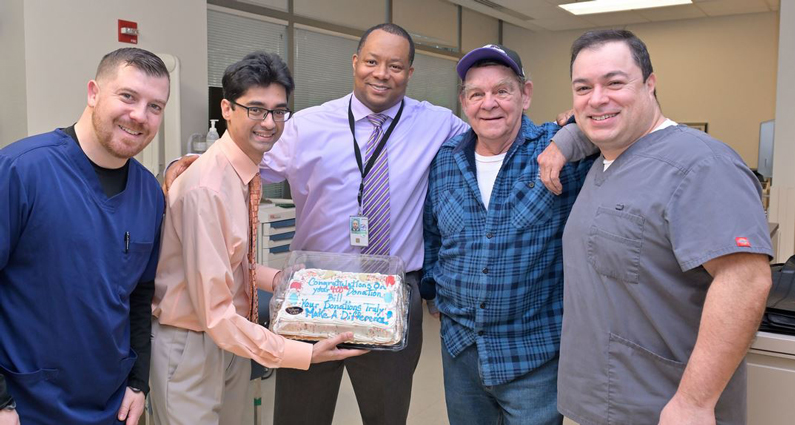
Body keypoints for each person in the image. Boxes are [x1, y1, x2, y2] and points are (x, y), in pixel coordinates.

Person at [537, 29, 773, 425]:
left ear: (650, 84)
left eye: (615, 82)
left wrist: (694, 402)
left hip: (664, 407)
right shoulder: (606, 159)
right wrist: (568, 139)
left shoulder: (702, 166)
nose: (597, 98)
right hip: (597, 401)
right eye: (583, 87)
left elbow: (746, 280)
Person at [150, 51, 366, 425]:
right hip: (193, 344)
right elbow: (214, 314)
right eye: (255, 109)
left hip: (230, 337)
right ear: (227, 109)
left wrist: (279, 279)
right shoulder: (209, 188)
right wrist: (304, 355)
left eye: (279, 111)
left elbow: (231, 262)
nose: (269, 123)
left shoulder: (244, 172)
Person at [422, 44, 592, 425]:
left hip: (531, 355)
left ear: (525, 94)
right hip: (460, 350)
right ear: (463, 102)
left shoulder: (557, 150)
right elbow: (433, 235)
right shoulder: (446, 160)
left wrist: (574, 134)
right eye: (476, 94)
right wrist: (434, 291)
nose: (489, 104)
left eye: (502, 91)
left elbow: (615, 131)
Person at [0, 48, 170, 424]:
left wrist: (139, 383)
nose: (140, 115)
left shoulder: (149, 194)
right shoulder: (21, 170)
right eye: (127, 96)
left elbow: (140, 296)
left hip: (112, 404)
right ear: (93, 93)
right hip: (27, 405)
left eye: (155, 106)